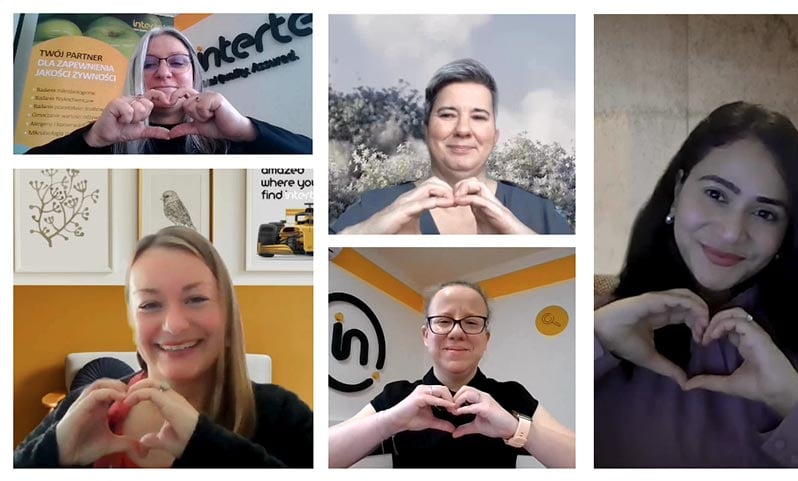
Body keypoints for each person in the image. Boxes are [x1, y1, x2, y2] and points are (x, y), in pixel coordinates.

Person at [594, 102, 798, 467]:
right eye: (716, 195)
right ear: (678, 191)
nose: (730, 232)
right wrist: (596, 341)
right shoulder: (596, 318)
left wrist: (794, 400)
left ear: (787, 232)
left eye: (764, 213)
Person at [14, 226, 313, 468]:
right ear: (132, 319)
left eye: (195, 299)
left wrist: (204, 444)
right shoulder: (81, 409)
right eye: (150, 304)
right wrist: (51, 456)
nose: (173, 325)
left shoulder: (283, 417)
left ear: (226, 311)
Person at [329, 281, 575, 468]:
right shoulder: (398, 394)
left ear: (485, 339)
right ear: (426, 335)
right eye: (444, 321)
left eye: (471, 322)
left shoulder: (511, 394)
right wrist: (389, 421)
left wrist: (515, 429)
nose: (457, 333)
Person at [330, 58, 570, 234]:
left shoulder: (541, 215)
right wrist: (365, 234)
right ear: (426, 130)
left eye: (478, 117)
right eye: (447, 115)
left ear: (495, 135)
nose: (463, 130)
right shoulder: (374, 206)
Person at [26, 27, 311, 154]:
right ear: (136, 75)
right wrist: (91, 139)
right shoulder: (107, 138)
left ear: (194, 73)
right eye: (149, 64)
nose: (163, 73)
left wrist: (244, 130)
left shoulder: (228, 136)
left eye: (177, 62)